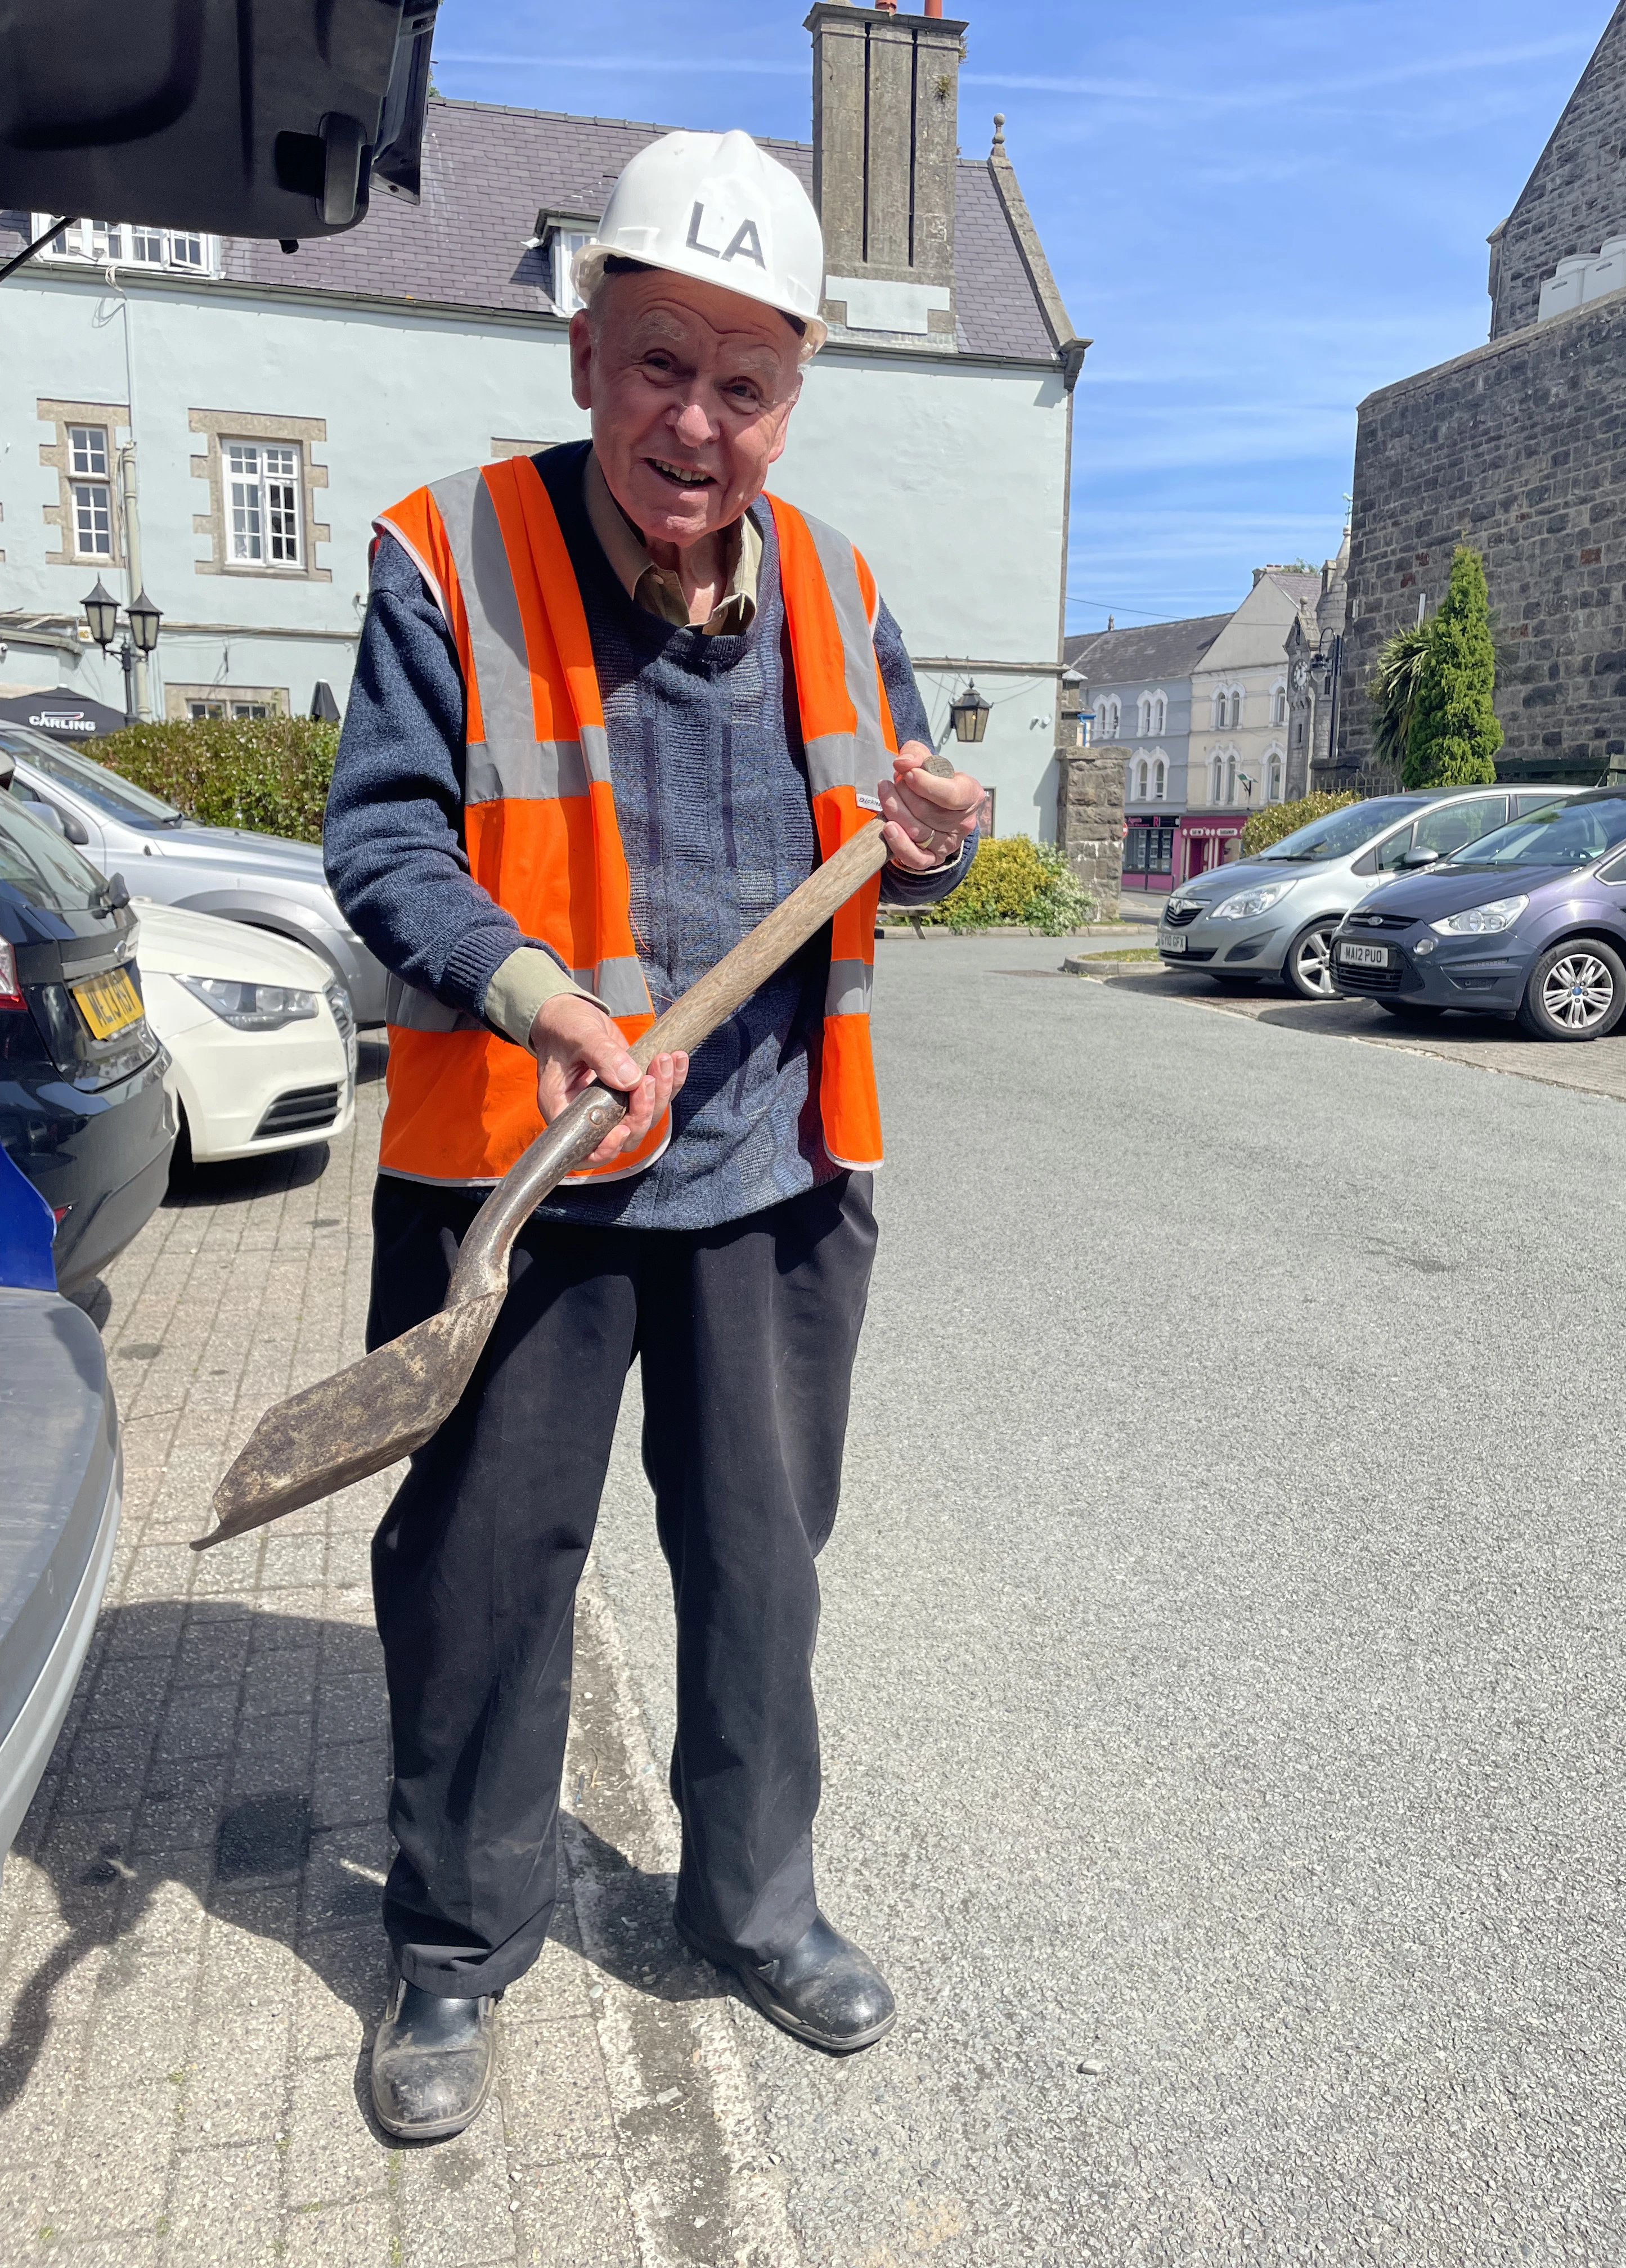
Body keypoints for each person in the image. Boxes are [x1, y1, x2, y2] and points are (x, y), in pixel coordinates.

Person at [323, 126, 985, 2142]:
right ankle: (456, 1946)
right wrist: (545, 1001)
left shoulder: (839, 585)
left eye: (744, 382)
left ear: (792, 395)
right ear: (585, 355)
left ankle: (751, 1906)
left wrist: (936, 842)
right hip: (517, 1186)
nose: (696, 423)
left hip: (770, 1177)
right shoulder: (448, 554)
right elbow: (384, 842)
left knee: (763, 1571)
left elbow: (895, 834)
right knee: (483, 1577)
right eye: (659, 365)